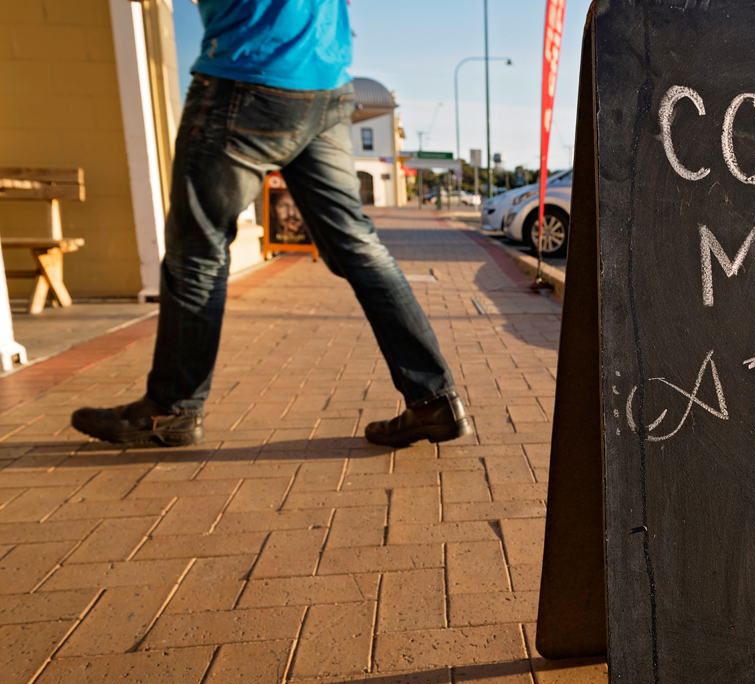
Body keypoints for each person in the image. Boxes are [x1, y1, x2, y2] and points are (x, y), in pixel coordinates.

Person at [71, 0, 471, 449]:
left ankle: (171, 410)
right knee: (359, 247)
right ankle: (434, 399)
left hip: (247, 71)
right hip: (326, 84)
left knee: (197, 253)